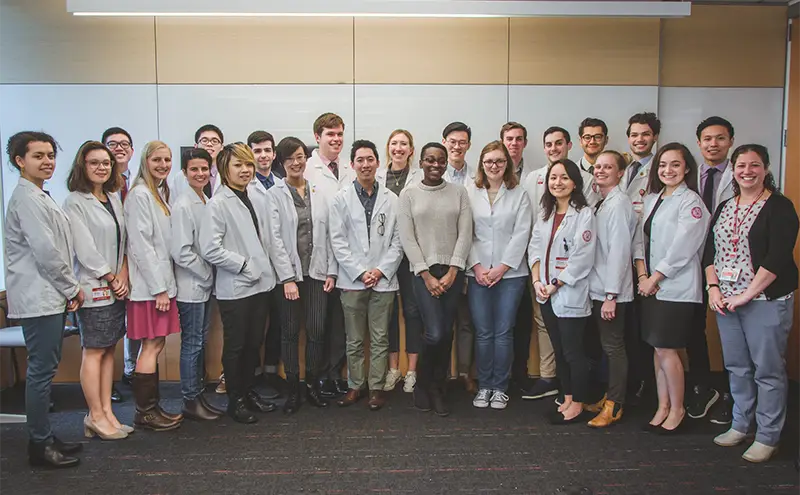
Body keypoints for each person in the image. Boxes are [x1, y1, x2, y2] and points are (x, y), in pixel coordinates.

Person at [704, 144, 798, 463]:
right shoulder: (725, 206)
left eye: (754, 165)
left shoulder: (779, 207)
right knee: (737, 367)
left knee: (767, 370)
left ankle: (768, 435)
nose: (747, 171)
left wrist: (746, 295)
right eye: (741, 165)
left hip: (765, 301)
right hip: (726, 303)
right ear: (733, 169)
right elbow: (709, 252)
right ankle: (741, 424)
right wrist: (714, 288)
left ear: (766, 169)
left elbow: (778, 257)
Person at [5, 131, 85, 467]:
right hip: (40, 296)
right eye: (38, 156)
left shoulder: (39, 195)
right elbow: (46, 252)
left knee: (45, 368)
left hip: (48, 295)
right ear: (20, 161)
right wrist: (72, 288)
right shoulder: (26, 199)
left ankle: (45, 435)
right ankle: (39, 444)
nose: (47, 161)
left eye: (50, 155)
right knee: (40, 371)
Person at [200, 143, 277, 423]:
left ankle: (248, 392)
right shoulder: (218, 203)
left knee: (254, 343)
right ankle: (236, 400)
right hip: (236, 288)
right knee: (237, 346)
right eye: (238, 165)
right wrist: (243, 265)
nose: (245, 170)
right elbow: (209, 248)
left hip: (260, 285)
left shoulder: (254, 196)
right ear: (224, 169)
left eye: (248, 165)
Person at [519, 126, 595, 401]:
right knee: (559, 349)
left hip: (568, 292)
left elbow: (582, 258)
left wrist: (554, 284)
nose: (558, 182)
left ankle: (578, 401)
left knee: (574, 352)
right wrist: (538, 281)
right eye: (553, 177)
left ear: (575, 182)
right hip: (546, 293)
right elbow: (535, 248)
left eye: (564, 178)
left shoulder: (584, 215)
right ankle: (566, 398)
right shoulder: (546, 213)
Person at [638, 142, 709, 434]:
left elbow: (683, 248)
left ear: (687, 168)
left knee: (668, 349)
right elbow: (639, 240)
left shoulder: (691, 202)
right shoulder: (653, 198)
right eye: (663, 165)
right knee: (657, 349)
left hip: (675, 288)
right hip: (650, 286)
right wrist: (642, 273)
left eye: (675, 165)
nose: (668, 170)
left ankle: (678, 409)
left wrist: (654, 278)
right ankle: (662, 405)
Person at [397, 142, 473, 417]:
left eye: (440, 160)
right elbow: (407, 237)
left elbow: (465, 233)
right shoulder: (408, 194)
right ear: (421, 161)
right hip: (422, 272)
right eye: (430, 160)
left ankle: (437, 387)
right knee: (435, 332)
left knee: (447, 331)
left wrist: (454, 270)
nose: (436, 165)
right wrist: (426, 274)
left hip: (453, 270)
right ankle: (424, 385)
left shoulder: (459, 192)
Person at [330, 140, 404, 411]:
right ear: (352, 165)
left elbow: (398, 241)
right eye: (360, 160)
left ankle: (376, 387)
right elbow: (337, 241)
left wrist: (380, 270)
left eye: (370, 159)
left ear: (377, 162)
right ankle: (355, 386)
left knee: (380, 337)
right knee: (354, 338)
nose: (365, 164)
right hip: (352, 280)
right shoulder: (340, 199)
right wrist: (361, 272)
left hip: (383, 279)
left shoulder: (392, 199)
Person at [64, 141, 130, 441]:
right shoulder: (75, 202)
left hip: (116, 287)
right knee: (93, 351)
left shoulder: (113, 197)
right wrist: (109, 275)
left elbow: (123, 241)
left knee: (108, 351)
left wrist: (122, 274)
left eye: (106, 162)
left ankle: (106, 412)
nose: (102, 167)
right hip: (93, 287)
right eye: (95, 163)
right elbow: (84, 247)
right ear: (83, 166)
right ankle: (94, 414)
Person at [266, 137, 337, 414]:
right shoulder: (275, 195)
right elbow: (274, 240)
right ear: (281, 164)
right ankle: (293, 389)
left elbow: (330, 233)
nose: (296, 163)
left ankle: (312, 386)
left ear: (306, 159)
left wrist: (331, 271)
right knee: (290, 333)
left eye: (299, 157)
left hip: (318, 273)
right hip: (290, 279)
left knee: (318, 331)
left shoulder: (319, 191)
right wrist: (287, 279)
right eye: (289, 159)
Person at [466, 141, 532, 410]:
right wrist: (478, 267)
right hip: (478, 273)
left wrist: (502, 267)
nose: (494, 166)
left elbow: (522, 232)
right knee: (483, 333)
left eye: (500, 161)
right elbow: (464, 232)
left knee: (503, 332)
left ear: (508, 164)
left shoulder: (520, 194)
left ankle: (500, 387)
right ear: (482, 163)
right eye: (489, 161)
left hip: (511, 274)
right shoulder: (470, 192)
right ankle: (484, 386)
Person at [125, 141, 183, 432]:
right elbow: (141, 246)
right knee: (149, 346)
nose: (163, 164)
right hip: (150, 289)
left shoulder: (158, 193)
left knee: (156, 344)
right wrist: (159, 288)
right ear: (145, 162)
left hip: (161, 284)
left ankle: (152, 407)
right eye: (157, 159)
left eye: (167, 159)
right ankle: (144, 413)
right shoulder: (139, 196)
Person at [688, 116, 737, 424]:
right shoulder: (690, 174)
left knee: (732, 331)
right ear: (699, 143)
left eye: (720, 138)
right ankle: (703, 387)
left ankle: (734, 395)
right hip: (692, 260)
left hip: (730, 264)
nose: (713, 144)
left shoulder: (739, 174)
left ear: (730, 141)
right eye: (707, 139)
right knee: (694, 328)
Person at [586, 151, 638, 427]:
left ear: (620, 173)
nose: (601, 171)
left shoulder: (618, 204)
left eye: (608, 167)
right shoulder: (602, 202)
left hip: (611, 292)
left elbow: (619, 252)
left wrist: (611, 296)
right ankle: (609, 396)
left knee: (614, 346)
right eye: (598, 167)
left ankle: (615, 405)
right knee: (606, 346)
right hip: (599, 288)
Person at [304, 112, 353, 398]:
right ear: (317, 137)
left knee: (341, 326)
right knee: (318, 325)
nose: (336, 139)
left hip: (346, 263)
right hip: (318, 264)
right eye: (330, 134)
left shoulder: (348, 168)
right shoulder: (307, 169)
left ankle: (335, 374)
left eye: (339, 134)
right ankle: (317, 377)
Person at [170, 148, 220, 421]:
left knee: (200, 341)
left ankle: (198, 394)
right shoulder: (183, 204)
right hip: (192, 285)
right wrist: (206, 274)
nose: (200, 174)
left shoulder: (203, 198)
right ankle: (190, 400)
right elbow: (182, 251)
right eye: (194, 170)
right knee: (192, 343)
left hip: (203, 284)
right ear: (185, 172)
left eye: (204, 169)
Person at [619, 112, 661, 406]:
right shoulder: (624, 169)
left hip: (649, 258)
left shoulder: (662, 169)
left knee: (651, 326)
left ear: (655, 136)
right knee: (628, 325)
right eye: (634, 134)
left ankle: (649, 384)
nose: (639, 139)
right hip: (623, 258)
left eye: (645, 134)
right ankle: (634, 381)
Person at [379, 130, 423, 393]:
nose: (398, 148)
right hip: (383, 255)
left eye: (403, 144)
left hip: (410, 256)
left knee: (412, 312)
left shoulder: (418, 179)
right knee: (388, 314)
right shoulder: (378, 176)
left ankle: (412, 371)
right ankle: (393, 369)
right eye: (394, 143)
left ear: (411, 150)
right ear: (388, 148)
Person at [246, 130, 284, 399]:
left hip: (281, 268)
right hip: (256, 269)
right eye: (257, 151)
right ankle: (253, 375)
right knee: (255, 326)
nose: (263, 155)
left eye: (267, 150)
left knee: (280, 324)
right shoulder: (245, 186)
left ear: (273, 153)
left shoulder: (282, 183)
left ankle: (272, 371)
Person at [442, 121, 477, 394]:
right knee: (440, 323)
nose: (457, 146)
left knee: (466, 322)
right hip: (438, 262)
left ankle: (465, 373)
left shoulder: (477, 179)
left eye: (462, 142)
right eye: (452, 141)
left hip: (467, 261)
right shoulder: (428, 175)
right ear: (444, 142)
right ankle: (440, 375)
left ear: (468, 145)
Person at [102, 126, 135, 401]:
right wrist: (114, 274)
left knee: (132, 323)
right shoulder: (100, 188)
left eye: (125, 144)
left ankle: (130, 371)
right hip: (104, 272)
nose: (119, 148)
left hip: (131, 265)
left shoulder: (135, 182)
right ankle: (107, 383)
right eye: (113, 144)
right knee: (105, 334)